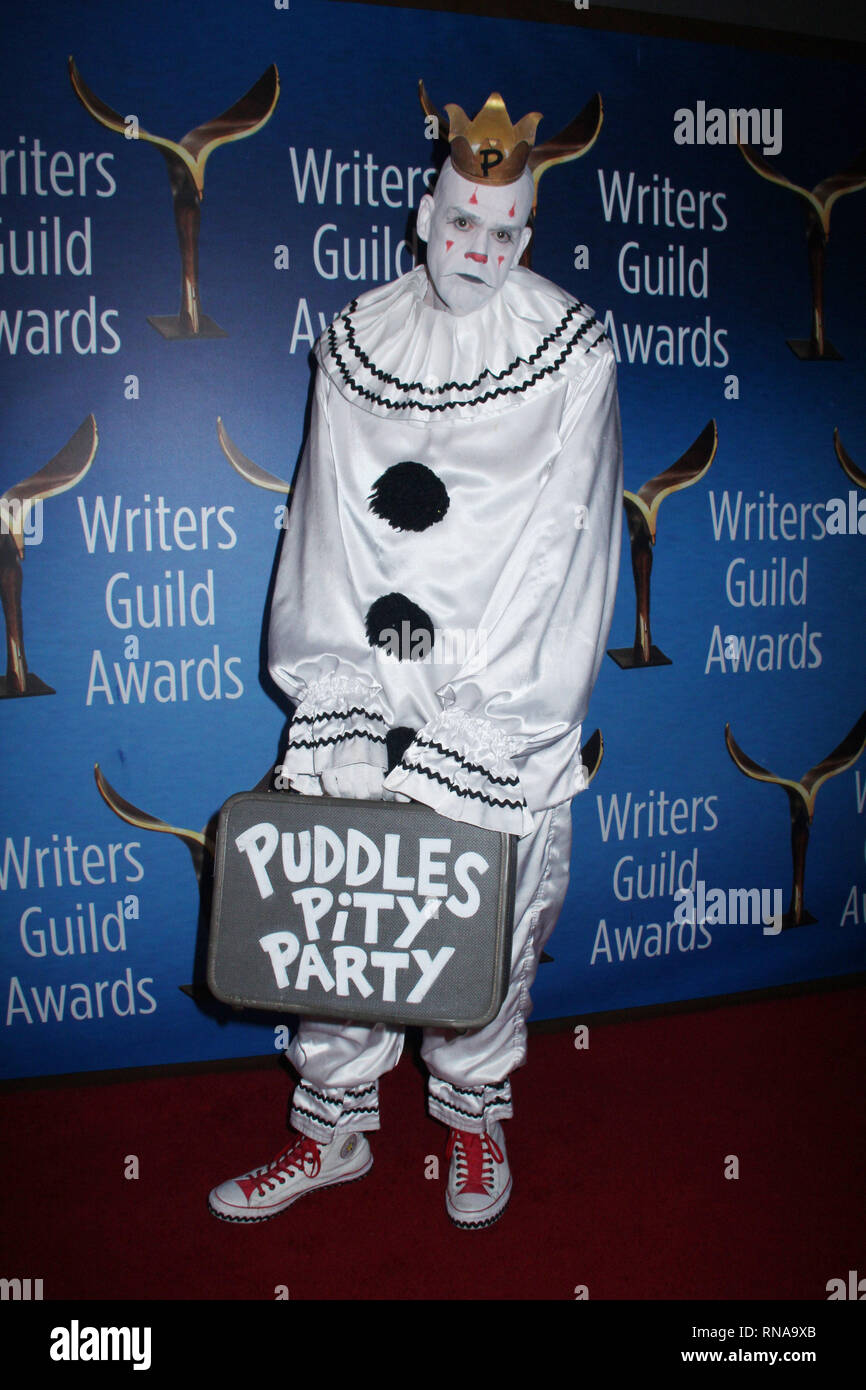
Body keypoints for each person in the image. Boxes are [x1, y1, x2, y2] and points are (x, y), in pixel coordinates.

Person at [208, 88, 622, 1229]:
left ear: (525, 236)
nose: (475, 252)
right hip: (371, 678)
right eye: (457, 227)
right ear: (421, 216)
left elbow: (568, 539)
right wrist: (338, 691)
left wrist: (489, 720)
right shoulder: (357, 340)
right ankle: (330, 1128)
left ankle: (471, 1114)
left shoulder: (571, 348)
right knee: (342, 910)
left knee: (490, 919)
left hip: (498, 701)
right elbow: (328, 522)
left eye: (500, 234)